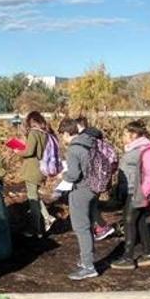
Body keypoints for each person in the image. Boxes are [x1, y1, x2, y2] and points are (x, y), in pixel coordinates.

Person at [111, 121, 150, 270]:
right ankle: (147, 254)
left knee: (129, 221)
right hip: (133, 191)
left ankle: (128, 257)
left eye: (125, 134)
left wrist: (142, 194)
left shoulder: (146, 150)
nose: (122, 137)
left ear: (133, 135)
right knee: (140, 221)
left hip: (137, 192)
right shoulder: (135, 148)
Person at [58, 118, 100, 280]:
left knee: (81, 228)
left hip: (81, 190)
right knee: (88, 226)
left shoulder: (74, 149)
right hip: (94, 187)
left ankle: (88, 266)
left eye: (62, 135)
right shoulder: (90, 141)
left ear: (68, 133)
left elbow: (74, 175)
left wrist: (63, 175)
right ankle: (86, 259)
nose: (62, 139)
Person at [15, 111, 57, 238]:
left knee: (32, 200)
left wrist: (17, 150)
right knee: (35, 196)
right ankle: (47, 217)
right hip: (41, 169)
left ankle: (36, 229)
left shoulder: (34, 133)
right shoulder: (45, 133)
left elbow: (29, 151)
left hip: (32, 169)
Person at [76, 116, 116, 240]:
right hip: (103, 176)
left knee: (91, 204)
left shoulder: (89, 142)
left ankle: (102, 227)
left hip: (95, 178)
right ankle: (98, 227)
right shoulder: (101, 142)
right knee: (92, 203)